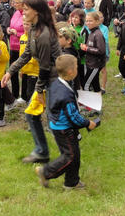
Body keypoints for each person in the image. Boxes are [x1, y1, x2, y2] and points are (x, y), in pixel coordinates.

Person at [2, 0, 62, 164]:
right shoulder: (34, 29)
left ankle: (68, 153)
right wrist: (10, 71)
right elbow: (27, 53)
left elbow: (44, 67)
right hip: (47, 79)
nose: (23, 11)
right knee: (32, 114)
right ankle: (43, 152)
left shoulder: (43, 35)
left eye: (26, 9)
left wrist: (40, 90)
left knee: (54, 120)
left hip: (55, 80)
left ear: (37, 11)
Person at [34, 54, 97, 189]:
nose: (77, 69)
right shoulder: (65, 94)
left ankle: (71, 182)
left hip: (59, 125)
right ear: (70, 71)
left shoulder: (57, 82)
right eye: (76, 67)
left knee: (75, 155)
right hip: (63, 129)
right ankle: (45, 172)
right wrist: (88, 123)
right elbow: (73, 117)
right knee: (70, 157)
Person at [80, 12, 106, 92]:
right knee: (95, 84)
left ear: (97, 21)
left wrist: (86, 48)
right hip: (90, 63)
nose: (88, 23)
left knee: (85, 85)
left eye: (90, 21)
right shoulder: (91, 32)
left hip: (95, 64)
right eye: (87, 21)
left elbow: (101, 50)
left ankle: (87, 103)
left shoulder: (98, 34)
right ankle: (97, 102)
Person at [8, 0, 27, 102]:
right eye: (13, 2)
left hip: (23, 46)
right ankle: (15, 94)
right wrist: (9, 29)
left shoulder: (27, 13)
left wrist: (18, 33)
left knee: (24, 71)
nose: (14, 4)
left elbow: (28, 30)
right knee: (13, 69)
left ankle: (24, 95)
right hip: (13, 45)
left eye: (16, 2)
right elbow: (12, 25)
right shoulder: (15, 13)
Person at [19, 21, 39, 104]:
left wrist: (29, 61)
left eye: (28, 24)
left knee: (31, 90)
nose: (25, 26)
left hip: (33, 70)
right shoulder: (22, 37)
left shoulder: (36, 38)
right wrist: (21, 67)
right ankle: (24, 98)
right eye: (24, 24)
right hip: (24, 68)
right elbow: (21, 53)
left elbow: (36, 55)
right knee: (24, 85)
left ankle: (31, 104)